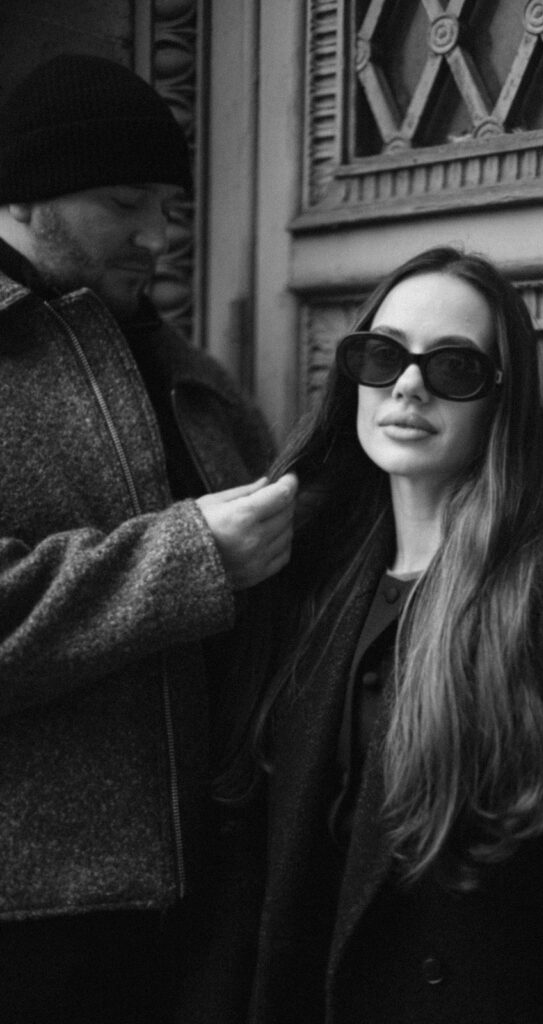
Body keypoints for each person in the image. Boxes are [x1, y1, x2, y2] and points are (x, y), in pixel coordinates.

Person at [211, 246, 543, 1023]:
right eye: (381, 356)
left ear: (500, 401)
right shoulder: (305, 588)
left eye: (453, 366)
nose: (409, 384)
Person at [0, 53, 296, 1023]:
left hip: (206, 899)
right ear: (23, 198)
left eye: (171, 205)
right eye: (126, 201)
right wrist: (189, 557)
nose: (160, 237)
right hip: (33, 925)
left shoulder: (190, 375)